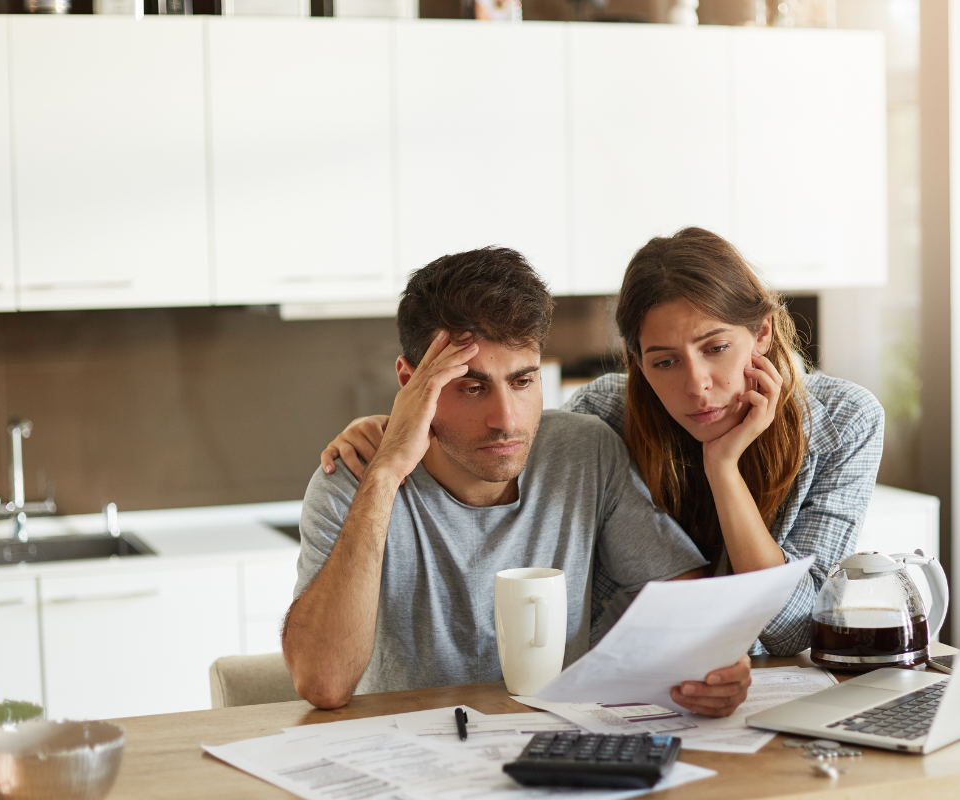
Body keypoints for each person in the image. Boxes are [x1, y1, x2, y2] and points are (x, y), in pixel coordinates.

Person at [322, 228, 885, 657]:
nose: (696, 386)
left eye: (716, 348)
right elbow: (502, 444)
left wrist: (724, 469)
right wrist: (394, 431)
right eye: (663, 361)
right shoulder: (608, 415)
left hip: (754, 688)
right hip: (633, 689)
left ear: (760, 332)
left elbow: (791, 631)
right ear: (637, 363)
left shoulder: (844, 423)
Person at [283, 245, 754, 716]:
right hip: (411, 761)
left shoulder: (584, 453)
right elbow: (323, 684)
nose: (506, 420)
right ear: (410, 382)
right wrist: (385, 475)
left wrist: (713, 667)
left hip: (555, 748)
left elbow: (690, 605)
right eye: (472, 387)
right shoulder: (354, 480)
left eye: (523, 381)